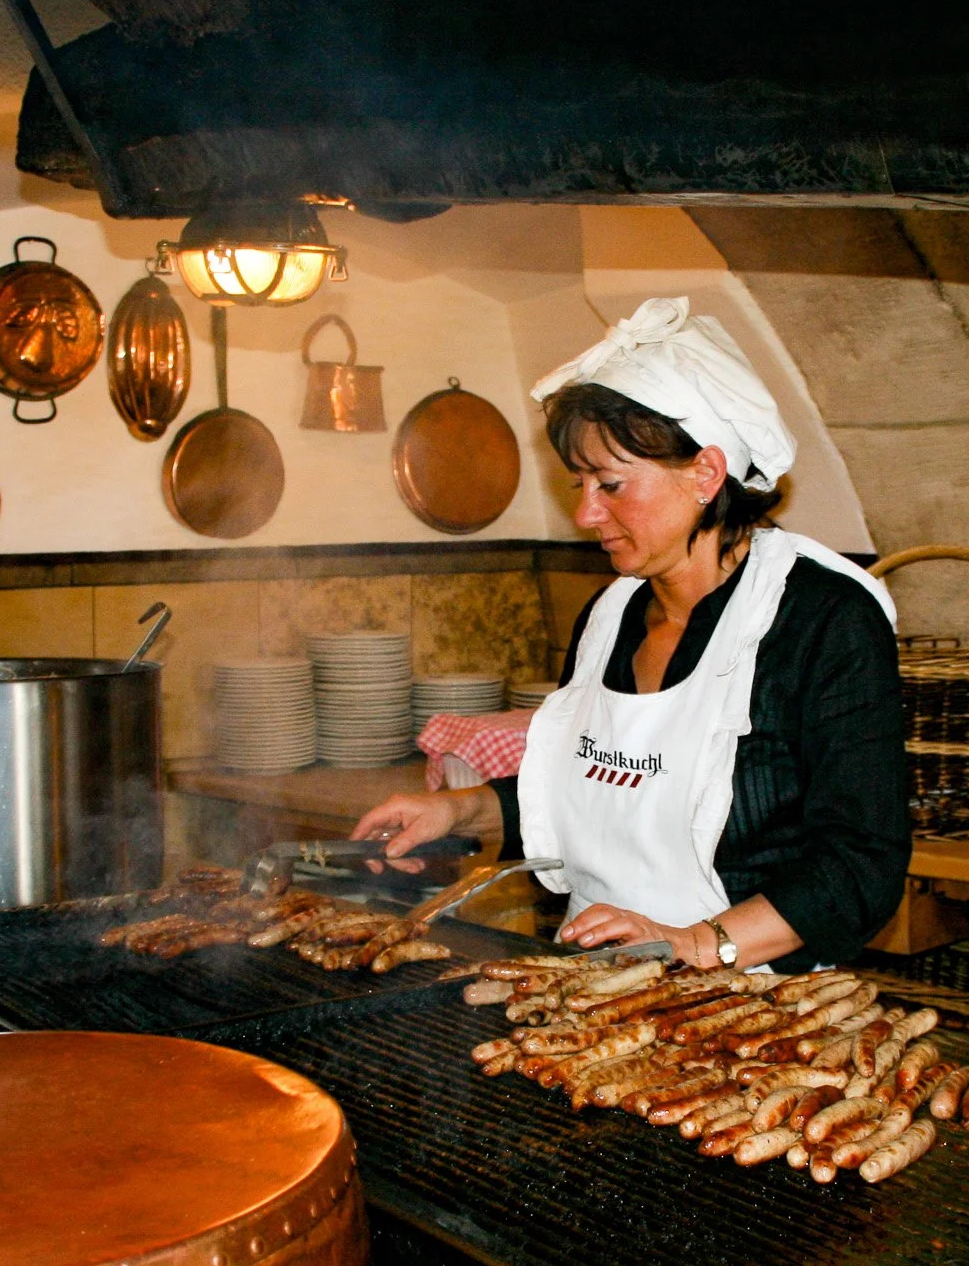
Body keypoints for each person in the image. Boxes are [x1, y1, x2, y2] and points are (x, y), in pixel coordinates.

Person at [352, 296, 909, 972]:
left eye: (611, 484)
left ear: (705, 473)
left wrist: (696, 942)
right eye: (579, 484)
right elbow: (593, 799)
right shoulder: (608, 616)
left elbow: (860, 865)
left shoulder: (821, 620)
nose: (586, 514)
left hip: (750, 998)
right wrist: (456, 813)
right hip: (594, 988)